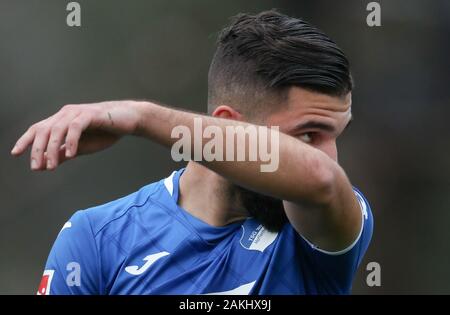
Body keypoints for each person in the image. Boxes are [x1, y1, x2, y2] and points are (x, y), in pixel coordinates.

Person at [12, 10, 373, 295]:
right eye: (308, 135)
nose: (331, 158)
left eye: (336, 136)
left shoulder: (326, 228)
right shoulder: (97, 238)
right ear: (228, 125)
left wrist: (141, 117)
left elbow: (320, 178)